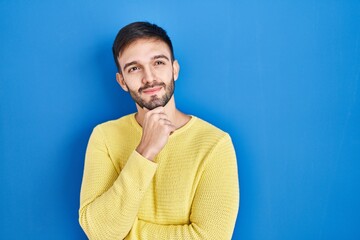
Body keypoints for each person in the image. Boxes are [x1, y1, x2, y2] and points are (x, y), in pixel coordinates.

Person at [79, 21, 239, 240]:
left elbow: (211, 237)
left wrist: (126, 234)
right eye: (134, 68)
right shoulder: (104, 137)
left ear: (174, 69)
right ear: (122, 81)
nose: (149, 77)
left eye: (158, 63)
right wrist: (145, 151)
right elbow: (99, 232)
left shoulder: (215, 143)